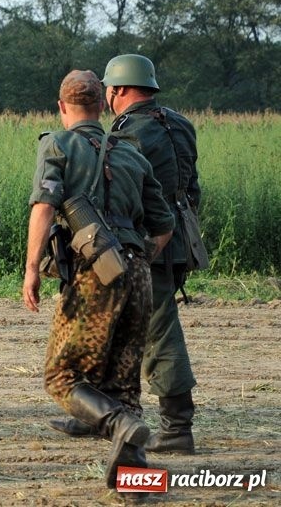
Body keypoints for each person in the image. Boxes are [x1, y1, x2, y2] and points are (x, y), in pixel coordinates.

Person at [22, 70, 174, 489]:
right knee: (125, 385)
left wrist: (32, 268)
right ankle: (135, 485)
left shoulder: (58, 144)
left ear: (61, 106)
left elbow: (44, 207)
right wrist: (136, 257)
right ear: (103, 105)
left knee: (62, 376)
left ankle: (116, 426)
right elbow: (164, 224)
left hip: (93, 274)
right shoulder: (131, 153)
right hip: (136, 272)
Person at [49, 55, 203, 456]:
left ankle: (176, 426)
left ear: (116, 91)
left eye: (109, 91)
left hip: (145, 241)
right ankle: (94, 413)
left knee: (157, 331)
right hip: (177, 237)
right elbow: (192, 188)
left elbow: (123, 191)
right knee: (118, 327)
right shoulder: (179, 124)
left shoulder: (130, 132)